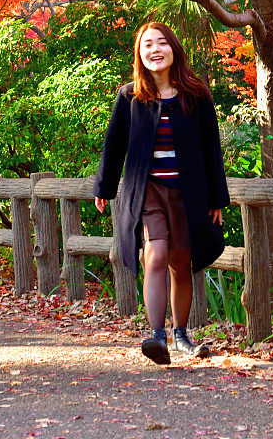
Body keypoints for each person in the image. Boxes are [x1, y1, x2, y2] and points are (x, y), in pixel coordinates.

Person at [93, 21, 230, 365]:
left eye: (161, 43)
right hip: (148, 190)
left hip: (188, 192)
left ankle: (181, 334)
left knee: (181, 262)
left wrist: (217, 198)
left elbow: (212, 149)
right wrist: (104, 187)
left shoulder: (196, 94)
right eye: (147, 45)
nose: (155, 50)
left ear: (173, 49)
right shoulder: (130, 97)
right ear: (140, 55)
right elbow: (114, 145)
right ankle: (157, 336)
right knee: (155, 254)